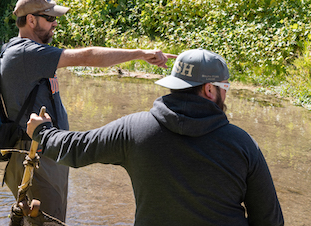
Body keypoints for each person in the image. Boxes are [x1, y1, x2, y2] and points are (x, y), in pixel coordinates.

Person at [26, 48, 284, 226]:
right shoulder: (243, 144)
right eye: (225, 88)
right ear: (209, 89)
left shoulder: (135, 129)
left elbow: (75, 150)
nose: (226, 95)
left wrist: (42, 132)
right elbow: (270, 221)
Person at [0, 0, 176, 224]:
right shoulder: (26, 52)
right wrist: (141, 54)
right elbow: (89, 56)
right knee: (49, 222)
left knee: (42, 220)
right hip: (35, 156)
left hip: (42, 151)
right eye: (50, 19)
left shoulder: (21, 49)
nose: (55, 24)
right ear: (31, 20)